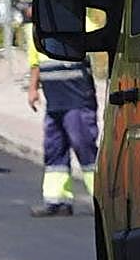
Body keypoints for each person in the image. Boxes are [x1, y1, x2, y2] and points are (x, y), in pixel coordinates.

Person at [26, 21, 98, 217]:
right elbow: (35, 62)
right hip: (54, 101)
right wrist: (33, 89)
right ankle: (57, 200)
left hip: (77, 99)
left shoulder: (78, 22)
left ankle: (100, 199)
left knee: (84, 146)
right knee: (54, 149)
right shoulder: (37, 30)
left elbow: (99, 39)